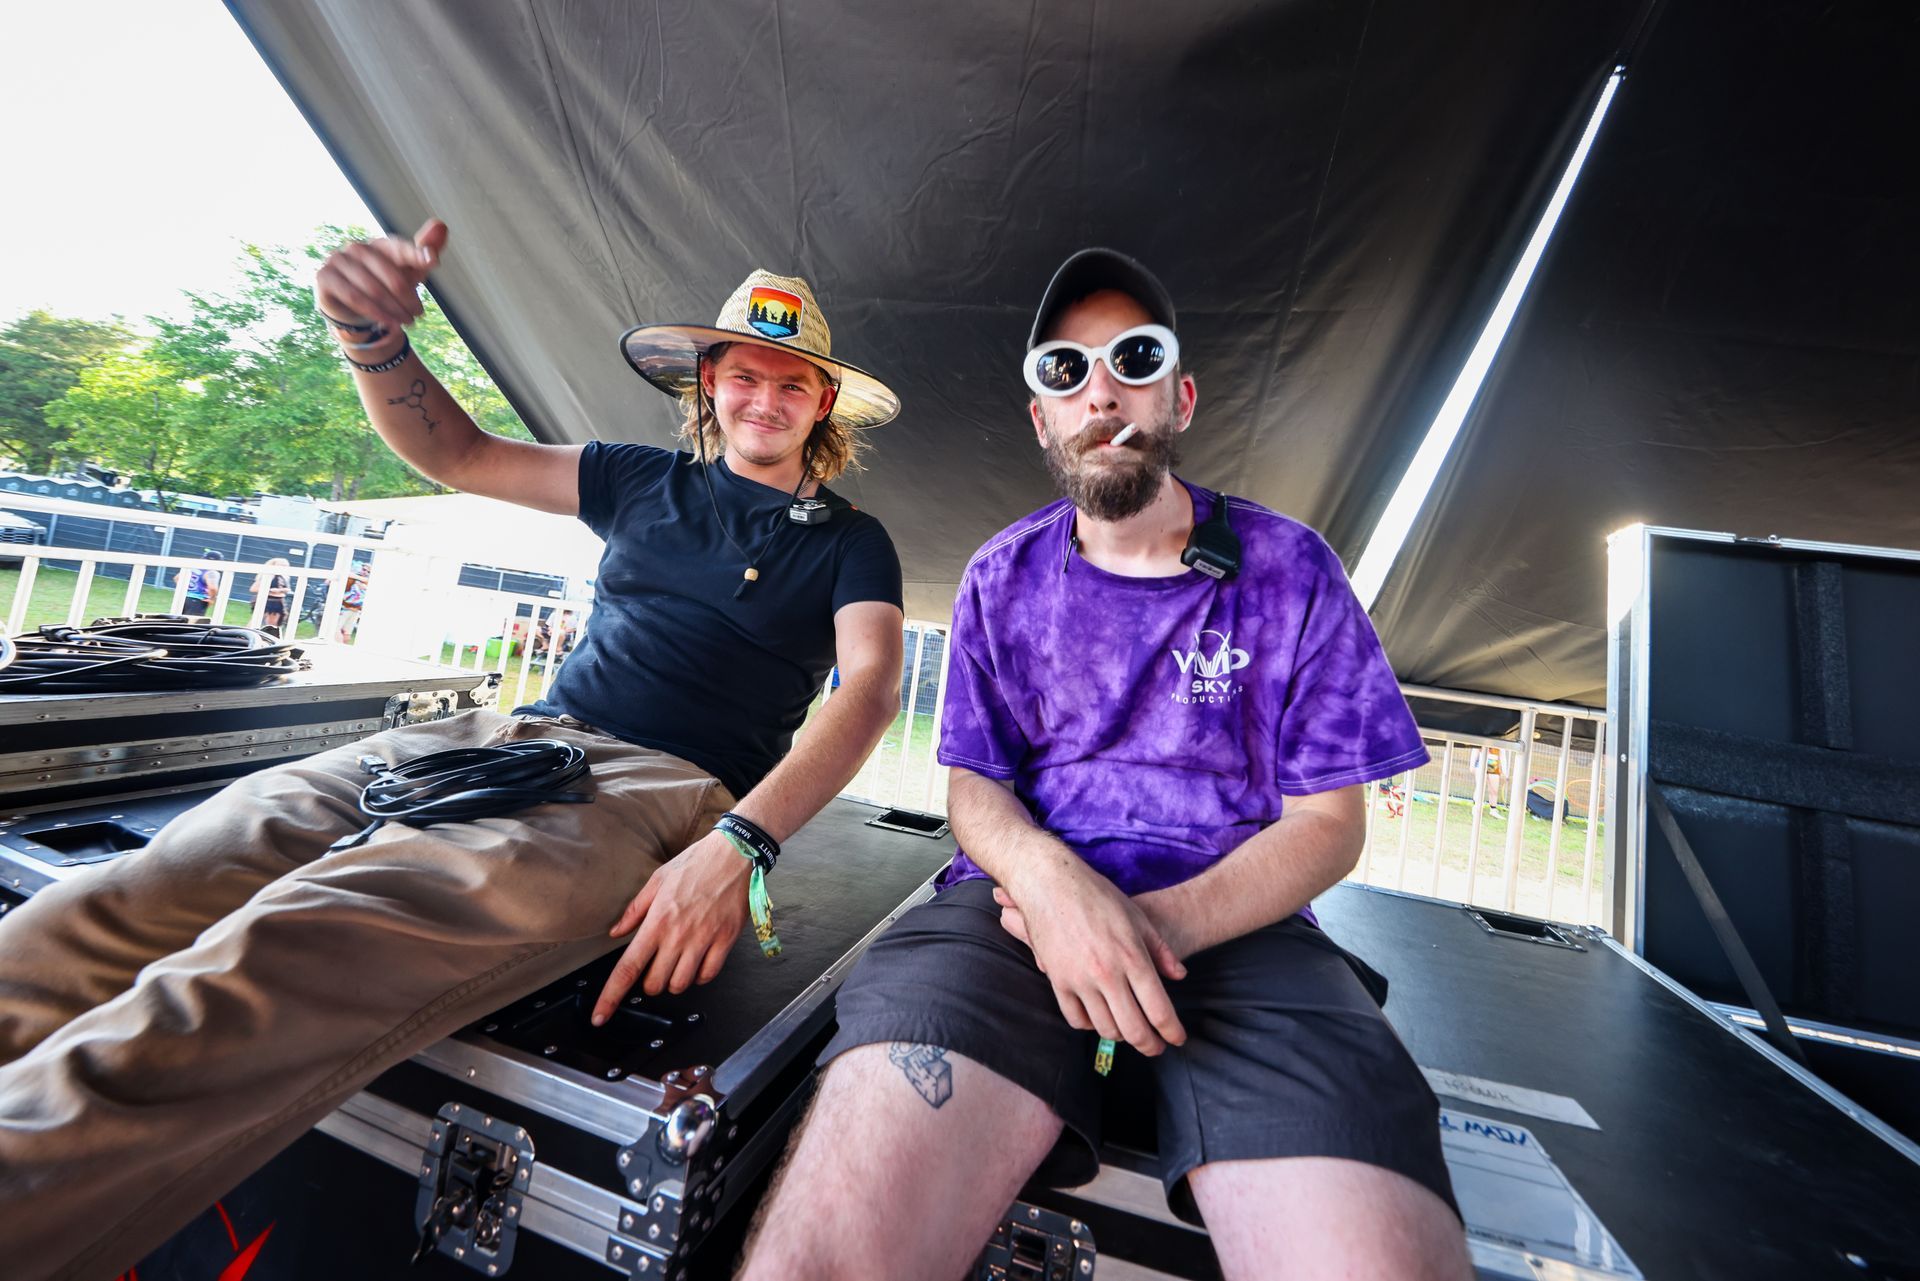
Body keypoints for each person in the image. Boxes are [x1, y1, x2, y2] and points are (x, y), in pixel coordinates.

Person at [0, 219, 907, 1281]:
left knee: (288, 946)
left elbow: (872, 690)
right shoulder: (633, 478)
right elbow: (457, 452)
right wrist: (371, 339)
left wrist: (742, 842)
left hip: (655, 791)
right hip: (499, 737)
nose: (764, 398)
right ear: (705, 384)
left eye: (791, 383)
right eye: (742, 374)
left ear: (822, 404)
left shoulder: (851, 540)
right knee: (148, 884)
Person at [739, 250, 1472, 1280]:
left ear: (1179, 395)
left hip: (1245, 936)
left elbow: (1327, 825)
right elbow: (975, 788)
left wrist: (1145, 932)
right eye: (1065, 371)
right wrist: (1049, 887)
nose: (1102, 391)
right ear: (1041, 416)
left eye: (1134, 358)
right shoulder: (1003, 575)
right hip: (1010, 925)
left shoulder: (1290, 568)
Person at [179, 549, 223, 617]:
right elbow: (213, 588)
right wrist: (212, 598)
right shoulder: (212, 572)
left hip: (182, 597)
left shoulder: (193, 568)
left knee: (177, 622)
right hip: (198, 601)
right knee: (191, 624)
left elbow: (177, 578)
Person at [334, 559, 369, 642]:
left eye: (368, 572)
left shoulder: (367, 582)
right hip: (345, 608)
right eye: (364, 569)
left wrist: (363, 583)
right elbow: (346, 574)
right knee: (337, 629)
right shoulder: (352, 578)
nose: (365, 572)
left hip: (355, 610)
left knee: (346, 632)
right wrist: (360, 579)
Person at [259, 556, 292, 637]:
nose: (284, 567)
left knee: (275, 624)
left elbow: (287, 589)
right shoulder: (269, 575)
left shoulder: (284, 577)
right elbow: (255, 588)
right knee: (261, 621)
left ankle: (270, 638)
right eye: (281, 565)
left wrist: (280, 591)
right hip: (269, 601)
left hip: (279, 602)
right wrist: (271, 591)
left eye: (285, 566)